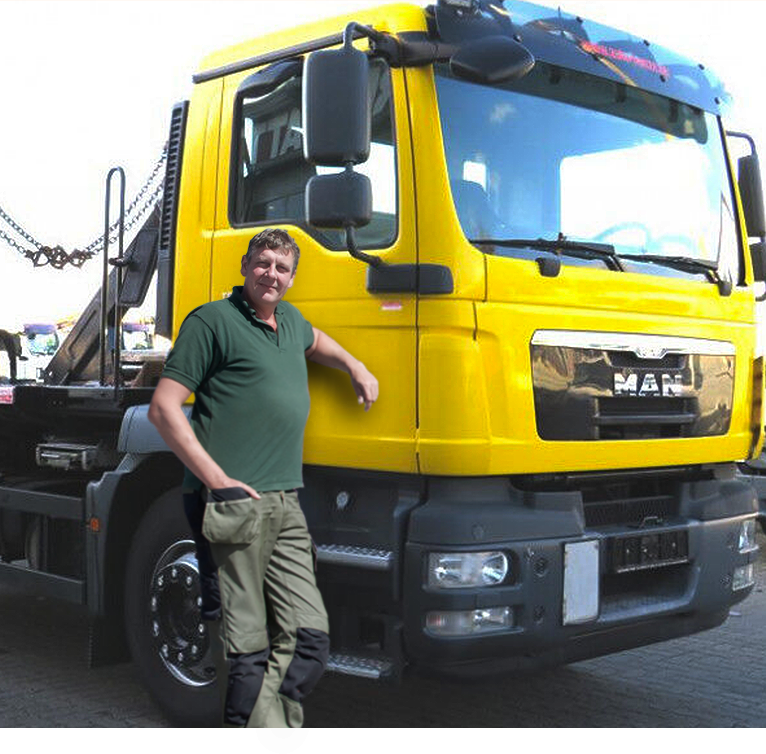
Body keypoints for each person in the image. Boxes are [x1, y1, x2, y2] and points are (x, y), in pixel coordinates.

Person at [148, 228, 378, 728]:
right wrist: (219, 481)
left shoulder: (290, 322)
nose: (272, 274)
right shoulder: (212, 322)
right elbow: (164, 409)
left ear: (291, 279)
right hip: (232, 505)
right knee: (248, 651)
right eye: (264, 262)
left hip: (285, 502)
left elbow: (317, 342)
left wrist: (355, 366)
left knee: (309, 641)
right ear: (245, 266)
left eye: (282, 268)